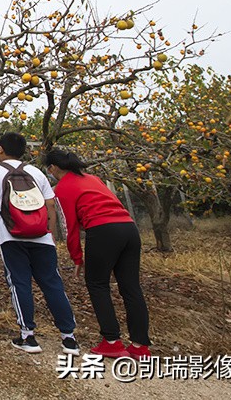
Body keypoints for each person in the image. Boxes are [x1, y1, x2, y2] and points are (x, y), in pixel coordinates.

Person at [0, 132, 79, 355]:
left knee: (19, 282)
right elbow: (50, 204)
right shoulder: (36, 172)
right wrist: (48, 231)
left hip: (11, 236)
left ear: (0, 149)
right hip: (41, 236)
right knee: (52, 282)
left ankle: (28, 336)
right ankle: (69, 338)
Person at [44, 148, 152, 359]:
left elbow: (69, 227)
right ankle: (140, 346)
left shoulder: (62, 188)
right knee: (131, 288)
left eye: (48, 168)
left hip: (103, 231)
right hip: (129, 228)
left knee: (97, 284)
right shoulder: (92, 178)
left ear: (54, 168)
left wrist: (76, 257)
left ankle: (111, 341)